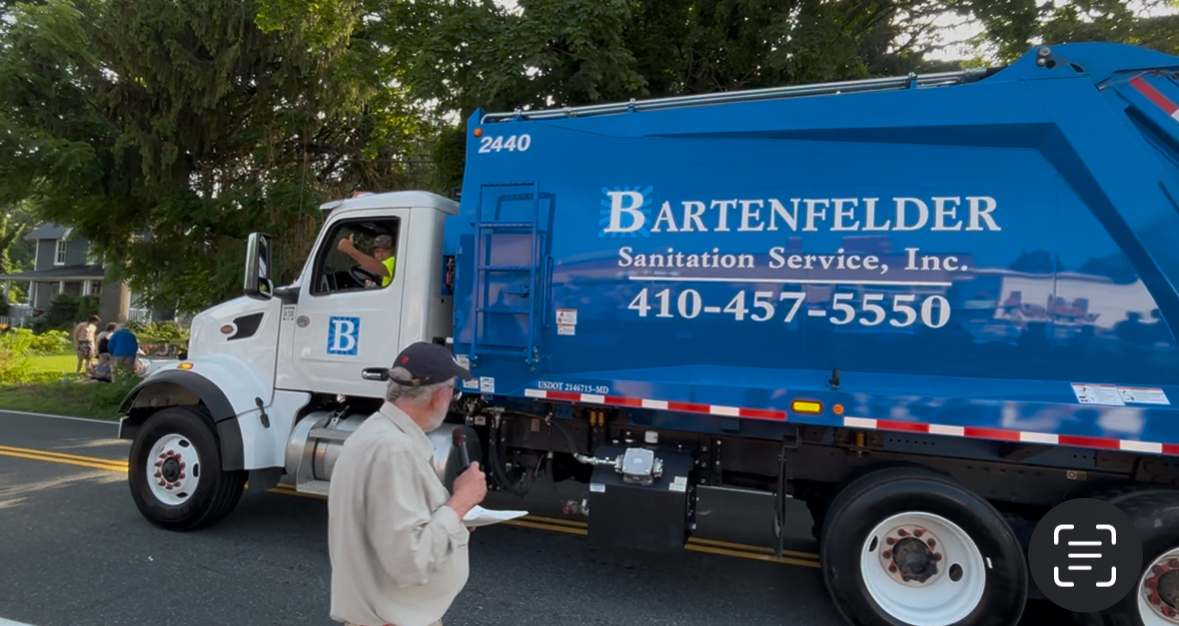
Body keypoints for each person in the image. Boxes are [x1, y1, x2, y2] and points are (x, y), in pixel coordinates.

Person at [328, 341, 486, 626]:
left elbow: (387, 526)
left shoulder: (375, 433)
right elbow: (410, 562)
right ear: (440, 396)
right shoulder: (395, 451)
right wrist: (462, 499)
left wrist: (454, 516)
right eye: (454, 392)